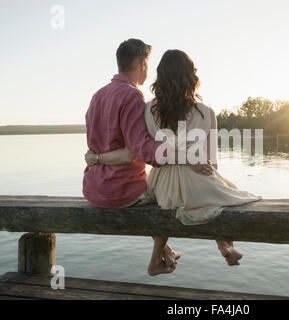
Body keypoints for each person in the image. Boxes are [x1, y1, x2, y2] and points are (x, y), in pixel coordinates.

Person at [86, 49, 261, 276]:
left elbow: (147, 151)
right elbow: (212, 164)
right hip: (197, 180)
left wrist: (99, 158)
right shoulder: (207, 113)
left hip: (162, 188)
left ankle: (165, 254)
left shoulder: (148, 110)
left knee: (174, 200)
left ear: (160, 77)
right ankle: (225, 244)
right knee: (225, 191)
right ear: (192, 76)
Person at [83, 39, 212, 276]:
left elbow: (95, 148)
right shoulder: (132, 96)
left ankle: (168, 252)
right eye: (147, 64)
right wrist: (186, 156)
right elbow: (141, 149)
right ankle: (158, 260)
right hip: (121, 192)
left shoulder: (97, 96)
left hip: (93, 190)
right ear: (142, 64)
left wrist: (99, 158)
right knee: (166, 193)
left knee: (156, 185)